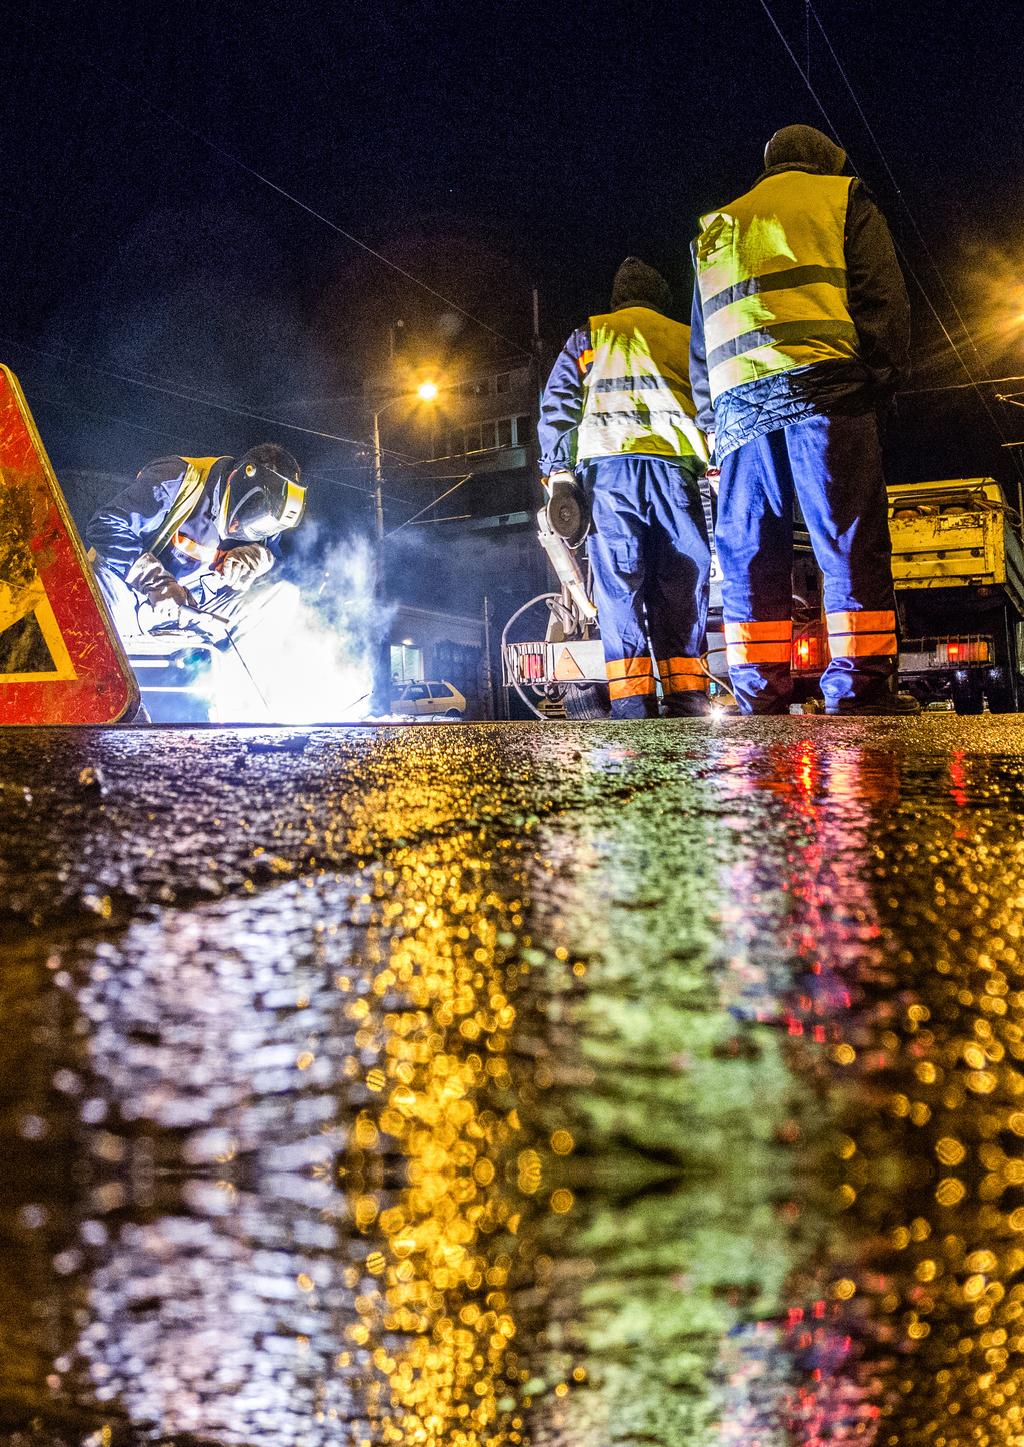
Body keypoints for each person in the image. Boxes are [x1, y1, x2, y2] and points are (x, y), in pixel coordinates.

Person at [690, 124, 915, 715]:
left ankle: (759, 693)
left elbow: (701, 342)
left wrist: (713, 422)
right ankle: (859, 689)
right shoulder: (841, 197)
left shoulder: (717, 227)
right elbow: (881, 299)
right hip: (827, 391)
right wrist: (881, 380)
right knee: (845, 538)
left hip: (739, 412)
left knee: (749, 552)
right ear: (824, 160)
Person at [538, 257, 712, 718]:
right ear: (661, 298)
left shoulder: (591, 335)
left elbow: (557, 406)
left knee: (619, 592)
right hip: (675, 474)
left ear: (618, 298)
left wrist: (559, 476)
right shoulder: (685, 336)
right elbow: (713, 401)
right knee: (681, 587)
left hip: (611, 479)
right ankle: (687, 701)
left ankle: (633, 708)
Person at [87, 444, 305, 646]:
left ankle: (231, 680)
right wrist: (156, 582)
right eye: (255, 517)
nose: (249, 531)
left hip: (192, 609)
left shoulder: (266, 520)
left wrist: (259, 558)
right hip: (128, 592)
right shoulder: (177, 477)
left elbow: (274, 556)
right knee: (90, 616)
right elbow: (105, 525)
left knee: (282, 596)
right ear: (237, 480)